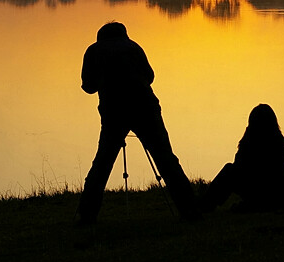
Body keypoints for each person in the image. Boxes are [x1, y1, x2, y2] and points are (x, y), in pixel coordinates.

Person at [75, 22, 198, 224]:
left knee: (102, 163)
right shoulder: (133, 47)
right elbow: (149, 77)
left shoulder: (93, 50)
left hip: (114, 111)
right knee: (166, 159)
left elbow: (88, 86)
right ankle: (190, 210)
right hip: (146, 107)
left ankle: (86, 215)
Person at [199, 103, 284, 212]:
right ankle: (208, 202)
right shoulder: (278, 139)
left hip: (270, 195)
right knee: (231, 170)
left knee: (229, 170)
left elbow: (239, 166)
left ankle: (206, 204)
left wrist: (246, 138)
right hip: (283, 198)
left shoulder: (255, 142)